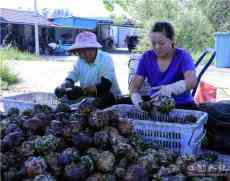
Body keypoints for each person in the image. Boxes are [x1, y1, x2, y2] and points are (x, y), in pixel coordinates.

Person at [130, 21, 198, 110]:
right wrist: (137, 101)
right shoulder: (147, 57)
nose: (157, 47)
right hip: (156, 105)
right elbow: (135, 86)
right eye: (153, 43)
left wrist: (172, 88)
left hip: (183, 106)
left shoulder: (182, 56)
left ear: (172, 40)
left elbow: (192, 81)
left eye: (161, 43)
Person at [54, 31, 121, 108]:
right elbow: (72, 76)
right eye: (80, 52)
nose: (83, 54)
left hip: (110, 99)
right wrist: (63, 86)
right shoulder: (80, 61)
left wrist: (82, 91)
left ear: (94, 48)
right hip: (89, 99)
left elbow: (105, 86)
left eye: (86, 51)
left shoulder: (105, 59)